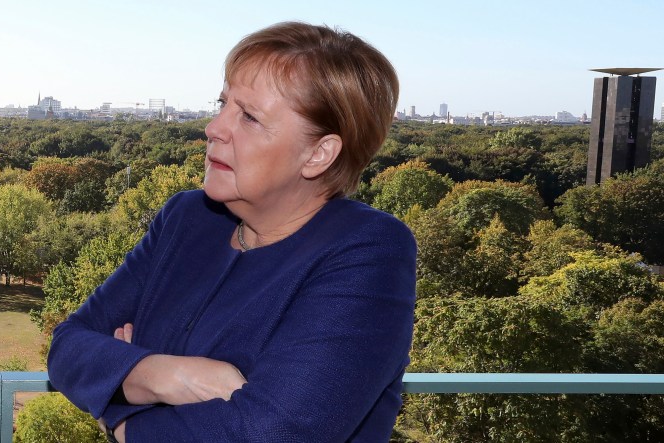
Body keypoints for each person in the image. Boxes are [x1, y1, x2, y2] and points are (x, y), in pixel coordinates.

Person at [48, 21, 416, 442]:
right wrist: (167, 375)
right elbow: (68, 348)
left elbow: (273, 432)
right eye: (222, 104)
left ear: (318, 153)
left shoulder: (367, 250)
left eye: (249, 117)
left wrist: (121, 417)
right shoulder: (187, 218)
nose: (214, 128)